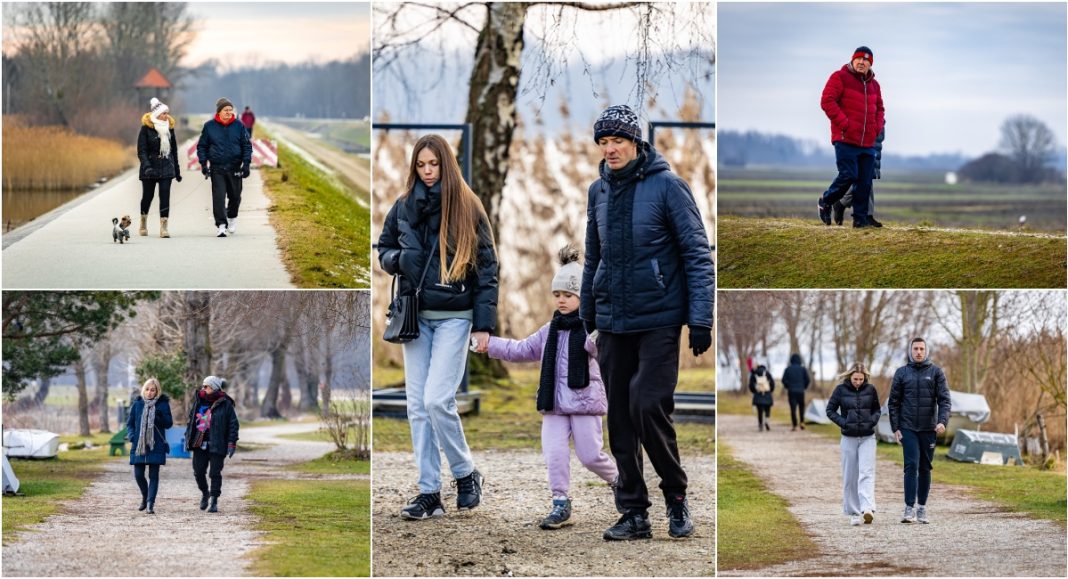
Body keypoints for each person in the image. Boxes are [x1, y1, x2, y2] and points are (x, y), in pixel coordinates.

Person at [581, 104, 714, 541]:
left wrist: (700, 319)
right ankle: (634, 512)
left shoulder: (669, 187)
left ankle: (676, 497)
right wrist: (587, 313)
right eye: (603, 141)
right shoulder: (598, 192)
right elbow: (593, 258)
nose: (609, 149)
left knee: (645, 404)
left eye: (617, 140)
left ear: (636, 142)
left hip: (659, 319)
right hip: (613, 321)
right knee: (618, 416)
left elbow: (697, 254)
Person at [377, 134, 498, 520]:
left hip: (455, 317)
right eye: (421, 165)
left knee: (436, 400)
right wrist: (400, 259)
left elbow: (488, 271)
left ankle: (465, 473)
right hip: (416, 318)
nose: (428, 172)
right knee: (417, 406)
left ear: (447, 164)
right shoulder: (402, 207)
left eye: (434, 165)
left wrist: (484, 326)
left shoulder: (468, 207)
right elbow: (383, 250)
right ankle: (430, 492)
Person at [482, 244, 619, 530]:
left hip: (584, 404)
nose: (561, 300)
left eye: (568, 295)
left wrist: (598, 326)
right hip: (554, 404)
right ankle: (560, 502)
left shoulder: (592, 330)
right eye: (557, 295)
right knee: (554, 454)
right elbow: (520, 349)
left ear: (583, 297)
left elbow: (602, 349)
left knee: (590, 455)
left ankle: (620, 481)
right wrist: (488, 345)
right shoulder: (549, 331)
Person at [817, 46, 885, 228]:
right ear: (853, 60)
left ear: (871, 63)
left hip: (867, 142)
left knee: (864, 182)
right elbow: (827, 101)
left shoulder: (874, 85)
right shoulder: (839, 77)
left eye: (866, 60)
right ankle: (826, 201)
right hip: (845, 138)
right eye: (859, 59)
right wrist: (845, 124)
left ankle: (860, 221)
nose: (862, 62)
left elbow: (880, 109)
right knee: (848, 175)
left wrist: (876, 128)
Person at [888, 337, 950, 524]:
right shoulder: (901, 373)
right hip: (908, 428)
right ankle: (909, 508)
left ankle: (921, 508)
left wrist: (942, 421)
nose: (918, 352)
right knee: (911, 466)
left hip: (929, 428)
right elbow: (893, 403)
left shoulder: (936, 373)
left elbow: (945, 400)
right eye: (915, 348)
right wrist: (895, 427)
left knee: (925, 467)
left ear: (926, 351)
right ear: (910, 351)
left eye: (922, 349)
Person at [826, 363, 881, 526]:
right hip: (848, 438)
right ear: (850, 377)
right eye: (855, 379)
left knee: (867, 472)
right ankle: (853, 513)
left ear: (865, 378)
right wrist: (844, 423)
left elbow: (877, 410)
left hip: (867, 438)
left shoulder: (870, 390)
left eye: (861, 379)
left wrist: (872, 421)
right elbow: (830, 410)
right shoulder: (840, 390)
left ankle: (867, 509)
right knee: (850, 475)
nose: (858, 382)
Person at [196, 97, 252, 238]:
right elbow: (202, 146)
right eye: (226, 110)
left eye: (230, 110)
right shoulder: (209, 126)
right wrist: (203, 164)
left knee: (235, 197)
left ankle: (232, 217)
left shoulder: (239, 126)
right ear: (219, 112)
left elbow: (247, 146)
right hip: (217, 168)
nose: (229, 112)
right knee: (219, 198)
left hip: (235, 168)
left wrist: (246, 165)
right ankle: (221, 225)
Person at [184, 375, 239, 513]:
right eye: (203, 386)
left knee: (215, 473)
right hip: (199, 443)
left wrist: (232, 443)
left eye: (206, 386)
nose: (203, 388)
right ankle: (205, 493)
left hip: (217, 444)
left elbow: (233, 424)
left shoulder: (225, 403)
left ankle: (214, 500)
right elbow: (191, 422)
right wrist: (187, 439)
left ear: (214, 387)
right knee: (198, 472)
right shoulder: (199, 401)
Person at [127, 378, 173, 514]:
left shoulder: (163, 405)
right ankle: (145, 497)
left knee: (154, 475)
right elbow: (130, 423)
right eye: (147, 389)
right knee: (138, 475)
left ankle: (150, 503)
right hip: (139, 444)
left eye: (152, 390)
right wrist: (132, 436)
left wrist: (158, 417)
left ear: (157, 391)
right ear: (143, 390)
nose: (149, 392)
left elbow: (169, 423)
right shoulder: (137, 404)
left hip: (155, 444)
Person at [137, 97, 181, 238]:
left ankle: (164, 227)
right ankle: (143, 222)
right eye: (163, 113)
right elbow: (141, 151)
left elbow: (174, 150)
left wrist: (177, 170)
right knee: (147, 197)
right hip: (149, 169)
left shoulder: (170, 129)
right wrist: (147, 166)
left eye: (167, 113)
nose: (166, 115)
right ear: (156, 115)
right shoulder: (145, 130)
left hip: (166, 168)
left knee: (165, 196)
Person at [834, 127, 885, 227]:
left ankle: (866, 214)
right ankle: (863, 214)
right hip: (863, 144)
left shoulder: (877, 115)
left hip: (871, 144)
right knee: (863, 179)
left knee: (866, 179)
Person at [781, 353, 811, 431]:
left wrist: (788, 386)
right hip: (801, 391)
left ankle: (794, 425)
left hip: (791, 391)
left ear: (791, 360)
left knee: (793, 408)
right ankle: (802, 423)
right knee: (801, 407)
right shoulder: (803, 369)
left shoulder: (787, 369)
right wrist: (803, 387)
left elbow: (783, 380)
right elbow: (808, 380)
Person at [748, 363, 774, 432]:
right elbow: (772, 384)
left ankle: (760, 425)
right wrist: (770, 391)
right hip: (767, 394)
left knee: (760, 411)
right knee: (767, 410)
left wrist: (755, 391)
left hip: (758, 395)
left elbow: (751, 386)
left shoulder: (754, 374)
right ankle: (767, 421)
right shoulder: (767, 373)